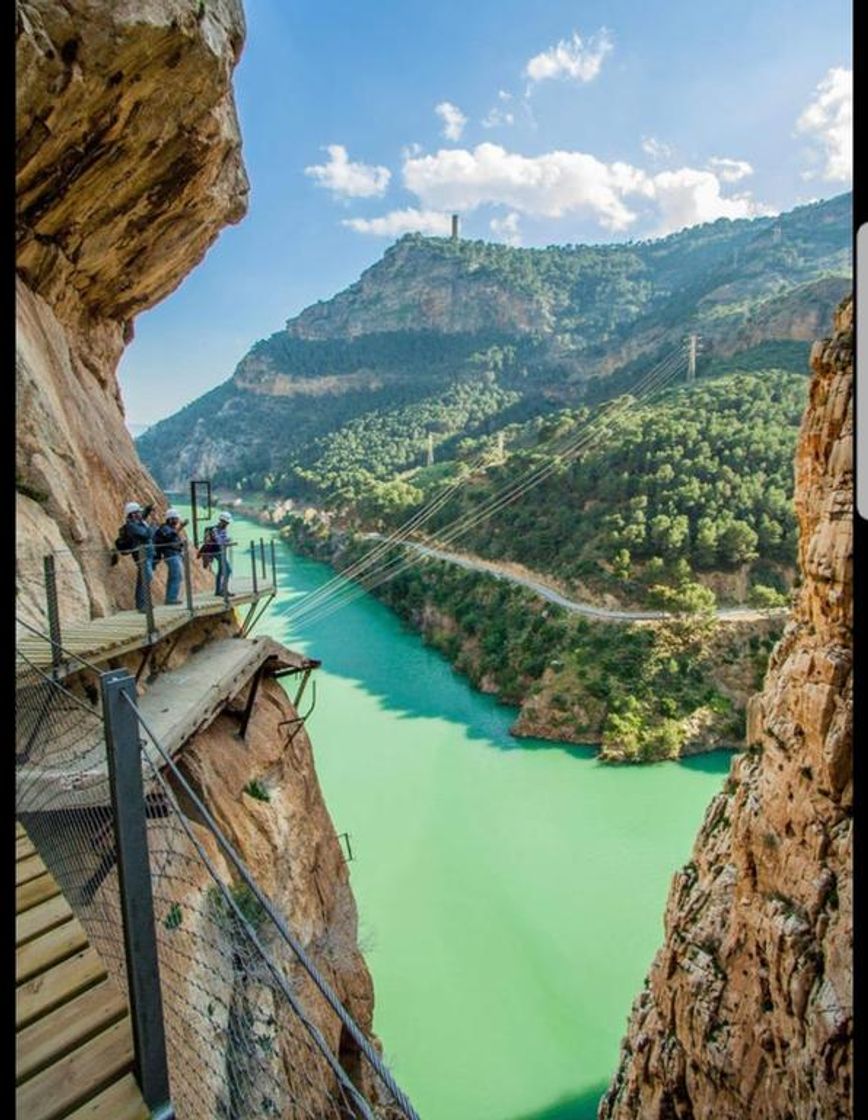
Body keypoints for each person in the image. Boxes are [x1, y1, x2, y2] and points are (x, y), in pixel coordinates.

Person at [118, 500, 156, 612]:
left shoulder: (137, 523)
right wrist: (152, 527)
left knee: (143, 578)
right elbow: (146, 534)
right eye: (137, 512)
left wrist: (148, 509)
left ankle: (143, 604)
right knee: (146, 577)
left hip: (147, 554)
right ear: (133, 514)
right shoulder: (131, 526)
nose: (140, 514)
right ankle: (142, 604)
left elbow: (143, 516)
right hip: (141, 555)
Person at [153, 508, 189, 605]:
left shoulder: (171, 529)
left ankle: (171, 597)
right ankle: (171, 598)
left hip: (175, 554)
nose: (177, 521)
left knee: (174, 576)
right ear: (170, 519)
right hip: (171, 555)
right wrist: (180, 527)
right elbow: (169, 537)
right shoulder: (165, 528)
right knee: (176, 576)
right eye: (176, 519)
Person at [212, 511, 234, 597]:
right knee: (227, 570)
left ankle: (219, 590)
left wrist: (227, 541)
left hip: (222, 551)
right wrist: (226, 542)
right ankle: (223, 590)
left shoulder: (223, 529)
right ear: (223, 521)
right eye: (227, 522)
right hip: (218, 552)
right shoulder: (215, 530)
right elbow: (219, 541)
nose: (227, 524)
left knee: (221, 571)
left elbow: (224, 539)